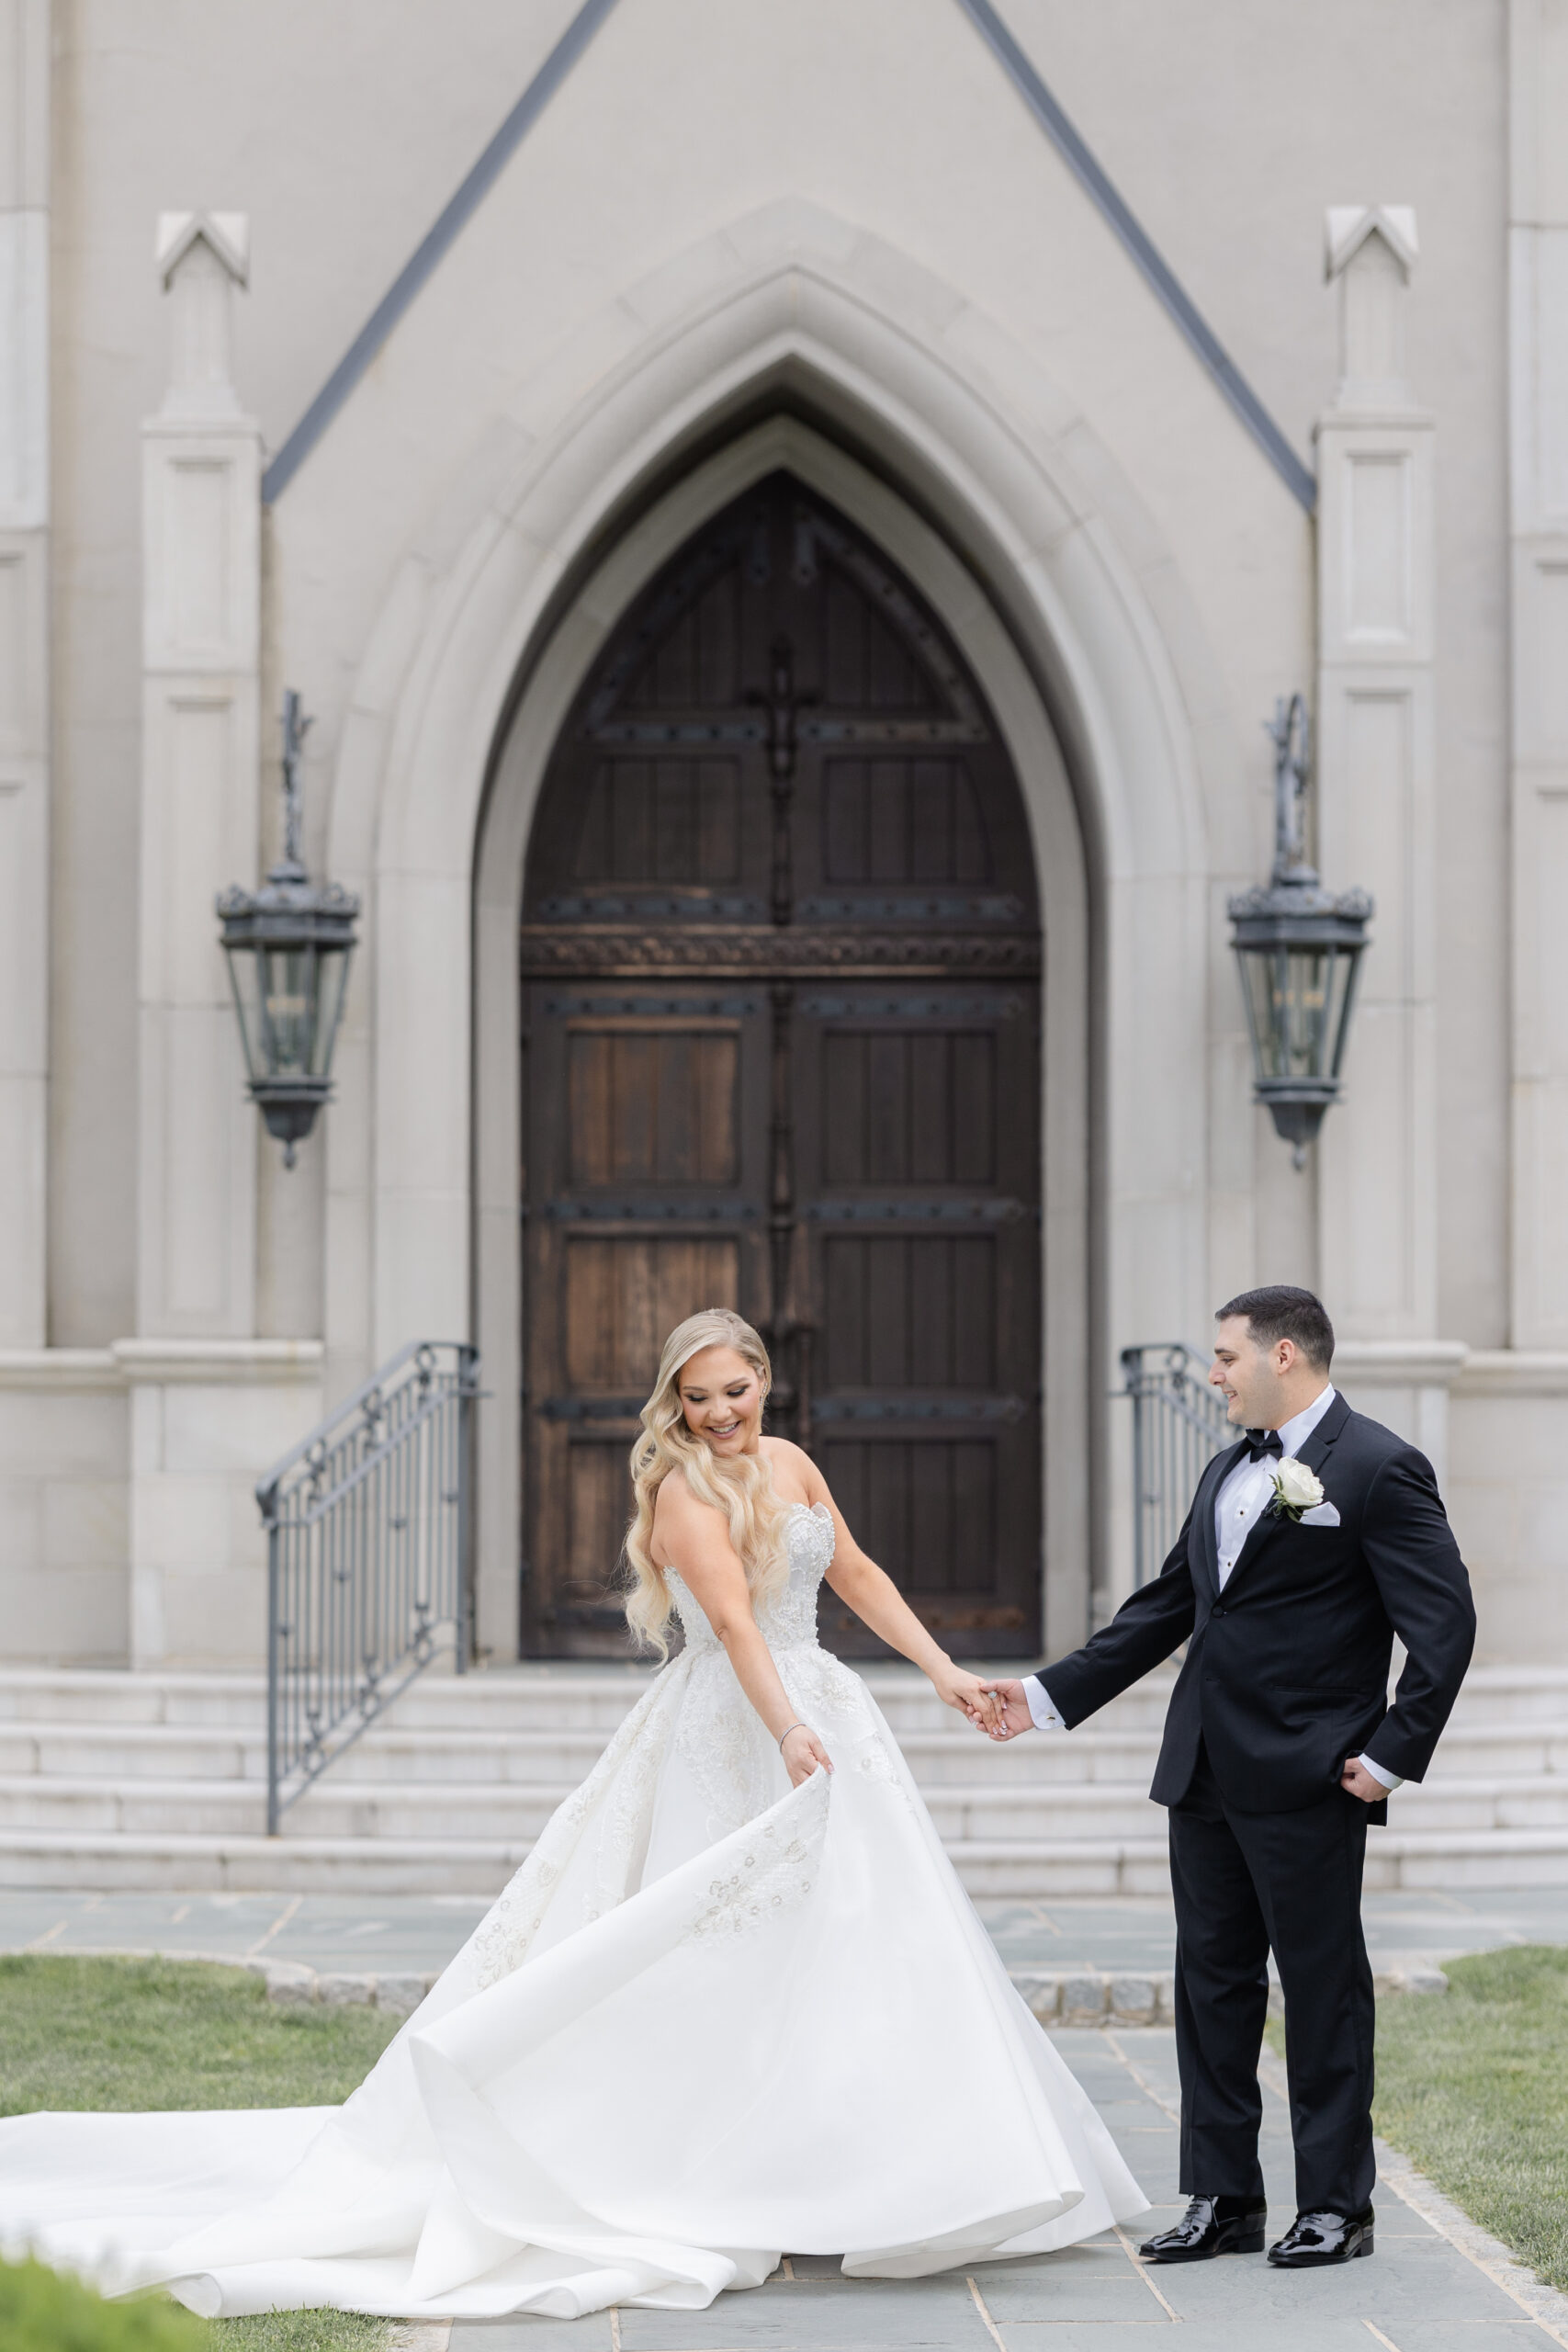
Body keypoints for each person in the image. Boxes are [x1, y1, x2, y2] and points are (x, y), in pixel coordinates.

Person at [0, 1307, 1145, 2323]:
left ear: (764, 1380)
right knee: (712, 1948)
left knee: (859, 1939)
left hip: (826, 1707)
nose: (719, 1415)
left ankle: (862, 2172)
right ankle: (700, 2167)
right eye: (696, 1399)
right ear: (675, 1405)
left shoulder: (794, 1463)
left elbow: (855, 1574)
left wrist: (944, 1673)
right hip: (733, 1722)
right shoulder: (680, 1489)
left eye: (735, 1391)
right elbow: (739, 1627)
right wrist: (789, 1726)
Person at [981, 1285, 1475, 2271]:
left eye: (1223, 1357)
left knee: (1323, 1990)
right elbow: (1164, 1608)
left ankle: (1338, 2204)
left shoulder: (1379, 1467)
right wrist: (1040, 1699)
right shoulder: (1224, 1469)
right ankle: (1223, 2196)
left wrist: (1388, 1757)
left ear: (1282, 1353)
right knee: (1211, 1986)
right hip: (1203, 1768)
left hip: (1311, 1774)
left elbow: (1446, 1625)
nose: (1211, 1376)